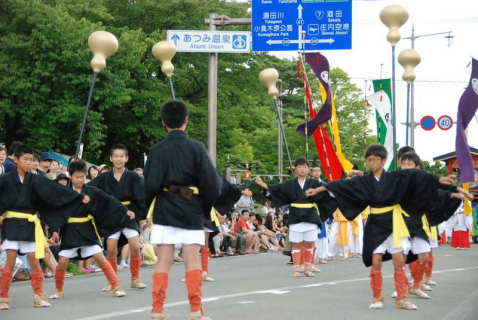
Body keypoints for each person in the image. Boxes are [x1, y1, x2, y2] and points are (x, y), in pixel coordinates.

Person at [305, 144, 469, 310]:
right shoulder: (363, 181)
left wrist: (443, 182)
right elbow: (339, 186)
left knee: (399, 259)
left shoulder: (395, 177)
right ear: (367, 162)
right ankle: (377, 296)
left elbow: (418, 176)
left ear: (383, 161)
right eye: (370, 160)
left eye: (377, 159)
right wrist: (318, 189)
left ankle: (402, 297)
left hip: (394, 221)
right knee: (376, 261)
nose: (373, 162)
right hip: (375, 222)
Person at [144, 100, 222, 320]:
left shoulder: (156, 150)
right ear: (186, 120)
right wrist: (205, 209)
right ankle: (196, 310)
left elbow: (149, 185)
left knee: (163, 261)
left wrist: (145, 212)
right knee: (192, 260)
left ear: (163, 122)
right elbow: (212, 184)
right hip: (190, 208)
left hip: (165, 208)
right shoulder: (196, 147)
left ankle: (157, 309)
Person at [0, 145, 89, 310]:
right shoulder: (5, 179)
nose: (29, 163)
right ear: (16, 159)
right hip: (11, 224)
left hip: (30, 224)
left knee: (35, 262)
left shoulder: (36, 180)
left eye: (31, 160)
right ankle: (3, 298)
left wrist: (77, 196)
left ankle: (38, 296)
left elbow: (55, 191)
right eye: (25, 159)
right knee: (9, 263)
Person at [46, 160, 130, 299]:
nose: (81, 179)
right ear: (70, 176)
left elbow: (109, 199)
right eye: (77, 177)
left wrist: (124, 210)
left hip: (87, 229)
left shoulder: (91, 190)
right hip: (70, 230)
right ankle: (58, 290)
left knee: (101, 258)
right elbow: (56, 212)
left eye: (83, 177)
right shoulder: (64, 192)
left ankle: (116, 286)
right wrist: (55, 231)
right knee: (62, 262)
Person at [256, 157, 337, 277]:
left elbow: (327, 192)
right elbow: (277, 189)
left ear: (308, 169)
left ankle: (308, 266)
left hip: (310, 215)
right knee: (297, 243)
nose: (302, 169)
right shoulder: (289, 184)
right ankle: (297, 267)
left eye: (305, 167)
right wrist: (263, 184)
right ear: (295, 169)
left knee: (309, 242)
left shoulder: (315, 183)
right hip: (295, 215)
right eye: (300, 167)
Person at [89, 144, 147, 290]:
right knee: (111, 248)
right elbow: (90, 188)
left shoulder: (134, 176)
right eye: (116, 156)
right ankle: (112, 281)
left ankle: (135, 279)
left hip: (129, 214)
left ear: (126, 158)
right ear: (111, 158)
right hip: (111, 216)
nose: (119, 159)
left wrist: (141, 215)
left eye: (122, 156)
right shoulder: (104, 177)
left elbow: (142, 197)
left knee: (134, 245)